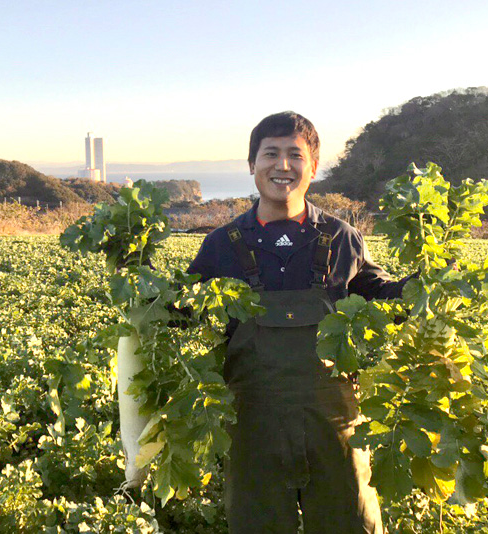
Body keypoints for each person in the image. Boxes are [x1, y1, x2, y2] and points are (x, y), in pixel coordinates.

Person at [187, 111, 413, 533]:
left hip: (335, 424)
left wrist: (424, 287)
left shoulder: (341, 237)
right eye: (270, 154)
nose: (283, 165)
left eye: (296, 155)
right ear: (251, 164)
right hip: (252, 424)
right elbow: (182, 309)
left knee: (350, 521)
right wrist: (135, 279)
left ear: (313, 166)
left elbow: (381, 295)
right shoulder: (222, 246)